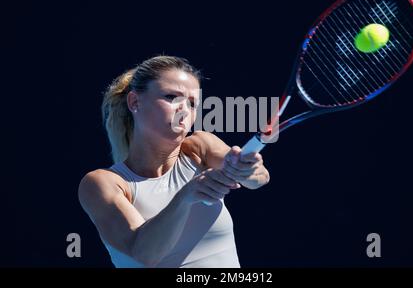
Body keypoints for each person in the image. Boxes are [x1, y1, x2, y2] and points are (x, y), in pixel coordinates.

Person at [78, 56, 270, 268]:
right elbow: (145, 254)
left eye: (192, 103)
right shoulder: (102, 184)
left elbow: (259, 178)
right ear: (134, 102)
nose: (184, 110)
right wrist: (186, 196)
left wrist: (247, 171)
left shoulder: (200, 146)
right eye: (171, 97)